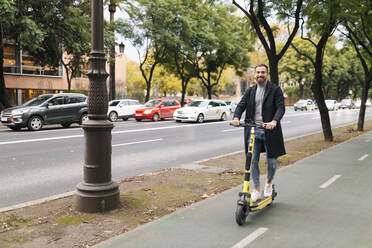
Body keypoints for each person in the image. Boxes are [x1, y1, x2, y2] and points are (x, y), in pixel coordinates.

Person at [231, 64, 286, 202]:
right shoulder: (250, 91)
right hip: (253, 131)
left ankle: (268, 184)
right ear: (254, 75)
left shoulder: (275, 90)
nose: (260, 75)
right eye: (258, 72)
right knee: (252, 161)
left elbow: (280, 107)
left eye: (263, 72)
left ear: (267, 74)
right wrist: (236, 117)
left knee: (272, 161)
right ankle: (256, 189)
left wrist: (274, 121)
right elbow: (241, 105)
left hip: (270, 131)